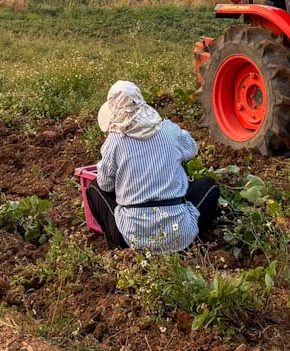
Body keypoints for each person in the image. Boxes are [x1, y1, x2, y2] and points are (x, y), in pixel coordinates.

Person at [85, 81, 220, 253]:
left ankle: (120, 251)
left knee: (95, 188)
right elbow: (192, 149)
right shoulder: (169, 129)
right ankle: (191, 243)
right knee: (208, 185)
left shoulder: (114, 142)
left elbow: (105, 184)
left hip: (132, 237)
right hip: (179, 233)